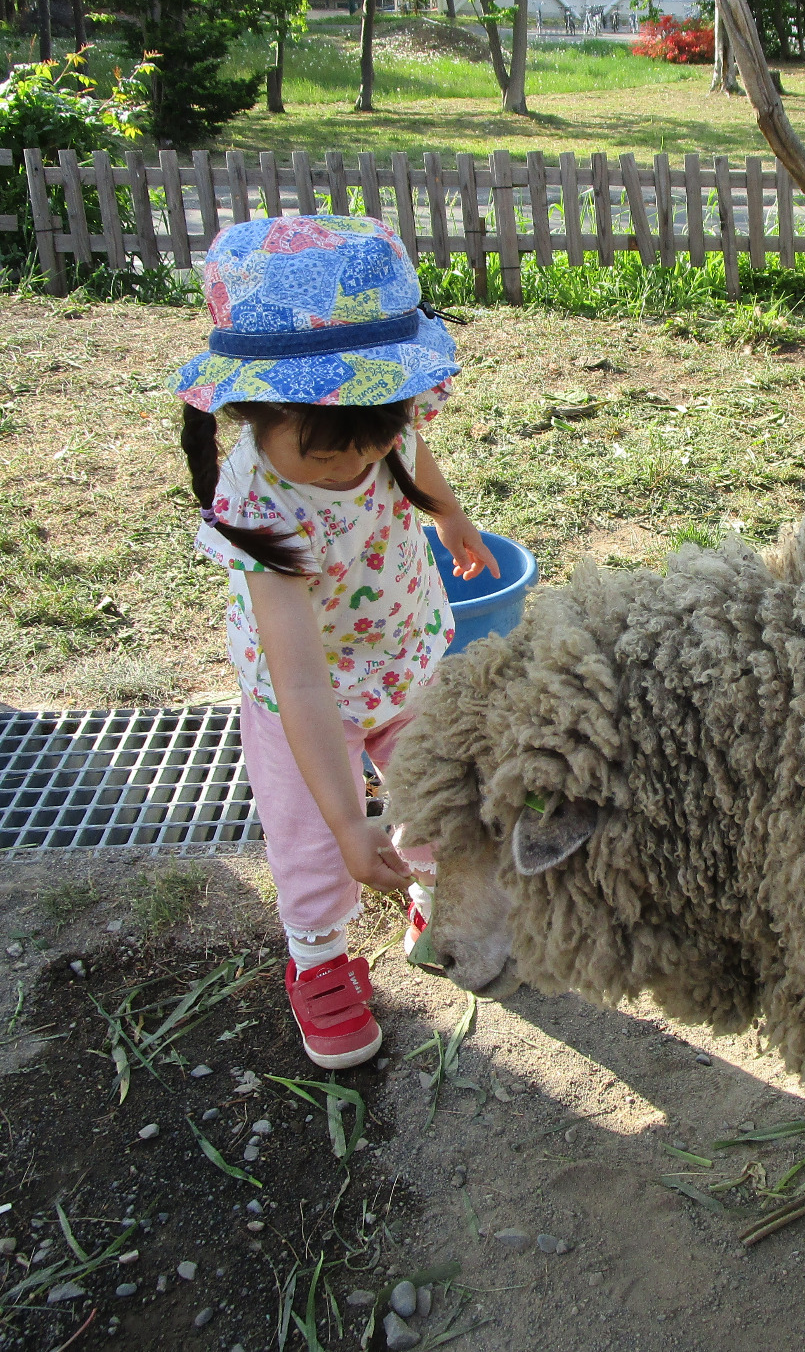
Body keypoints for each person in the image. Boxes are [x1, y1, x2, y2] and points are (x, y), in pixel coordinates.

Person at [175, 214, 498, 1069]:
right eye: (324, 453)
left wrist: (450, 513)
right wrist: (355, 825)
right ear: (252, 413)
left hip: (405, 651)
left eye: (374, 435)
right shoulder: (257, 507)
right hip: (302, 698)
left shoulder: (379, 416)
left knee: (435, 788)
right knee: (312, 835)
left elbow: (412, 450)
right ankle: (318, 957)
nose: (355, 463)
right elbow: (305, 683)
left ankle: (432, 886)